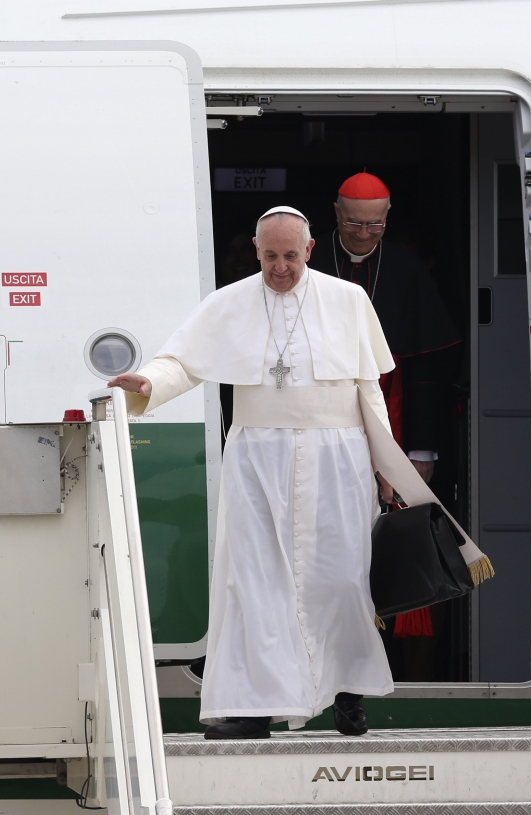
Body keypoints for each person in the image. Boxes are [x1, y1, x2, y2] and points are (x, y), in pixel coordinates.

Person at [108, 206, 396, 739]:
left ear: (309, 250)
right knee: (255, 583)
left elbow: (368, 387)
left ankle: (346, 688)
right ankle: (253, 707)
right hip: (258, 457)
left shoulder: (349, 299)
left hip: (338, 458)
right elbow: (182, 361)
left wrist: (387, 464)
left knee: (342, 579)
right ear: (257, 252)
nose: (280, 268)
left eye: (290, 256)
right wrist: (149, 383)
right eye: (269, 257)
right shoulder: (230, 301)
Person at [309, 171, 460, 480]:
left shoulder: (408, 270)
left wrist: (421, 449)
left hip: (389, 411)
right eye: (354, 223)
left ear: (387, 215)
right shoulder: (308, 261)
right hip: (316, 409)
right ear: (337, 213)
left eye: (375, 224)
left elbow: (425, 368)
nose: (364, 234)